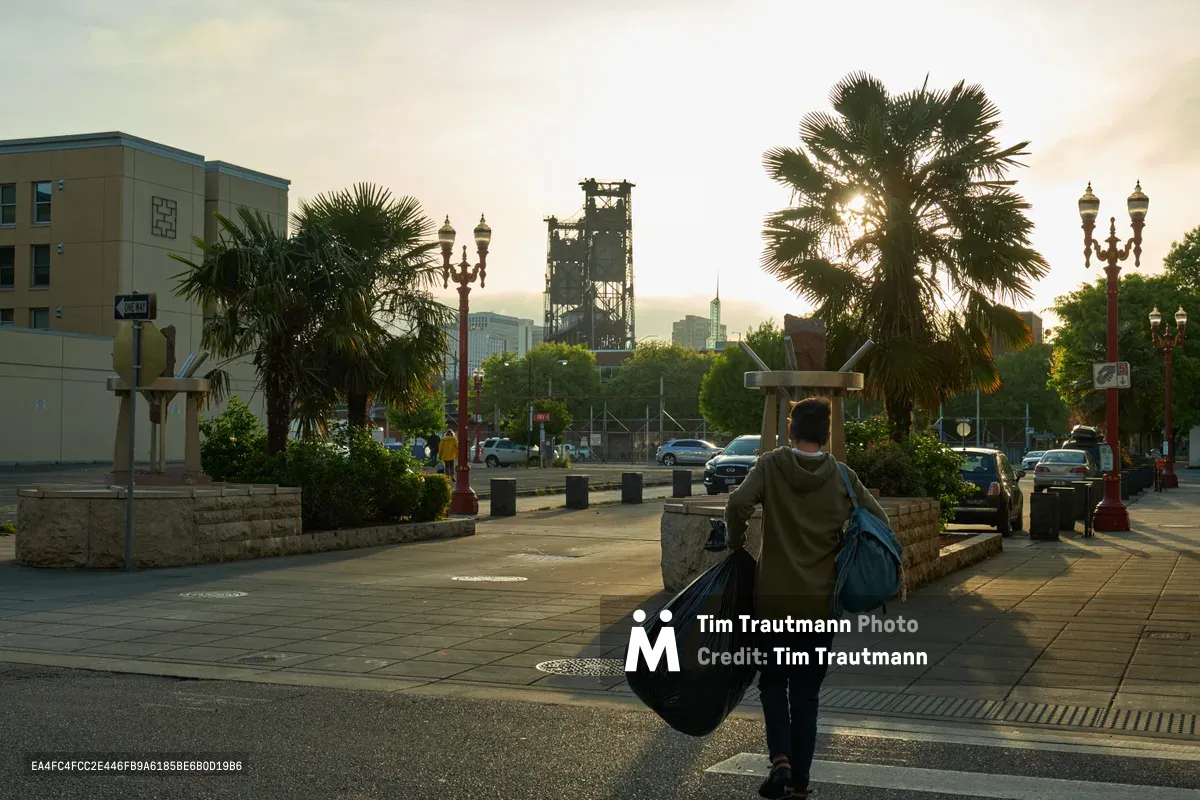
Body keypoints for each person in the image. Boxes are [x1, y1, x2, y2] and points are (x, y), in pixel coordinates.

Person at [725, 398, 888, 800]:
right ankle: (800, 783)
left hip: (773, 600)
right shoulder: (843, 477)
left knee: (772, 683)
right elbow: (879, 521)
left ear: (792, 429)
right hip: (819, 604)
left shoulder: (770, 465)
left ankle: (780, 760)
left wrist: (737, 544)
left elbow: (737, 504)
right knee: (807, 693)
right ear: (827, 433)